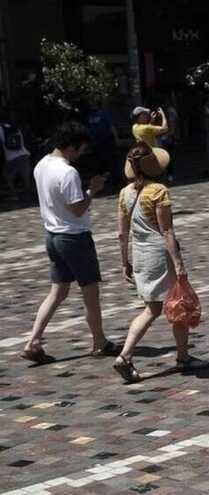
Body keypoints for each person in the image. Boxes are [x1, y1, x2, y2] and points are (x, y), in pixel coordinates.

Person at [22, 121, 121, 364]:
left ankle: (33, 341)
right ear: (71, 146)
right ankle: (99, 341)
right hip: (74, 237)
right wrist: (93, 190)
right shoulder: (67, 172)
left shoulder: (41, 164)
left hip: (52, 236)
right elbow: (77, 209)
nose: (81, 154)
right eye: (81, 149)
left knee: (57, 292)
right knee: (90, 292)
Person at [112, 143, 195, 382]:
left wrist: (124, 262)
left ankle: (127, 355)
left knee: (153, 308)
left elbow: (122, 233)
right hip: (159, 255)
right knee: (178, 305)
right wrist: (178, 263)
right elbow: (166, 231)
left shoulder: (124, 193)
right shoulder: (158, 191)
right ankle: (180, 358)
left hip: (140, 254)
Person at [85, 103, 119, 191]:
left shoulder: (104, 114)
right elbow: (88, 129)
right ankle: (100, 186)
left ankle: (114, 184)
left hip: (106, 142)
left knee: (110, 163)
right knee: (98, 166)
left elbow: (111, 126)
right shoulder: (89, 116)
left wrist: (116, 138)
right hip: (95, 144)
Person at [0, 113, 33, 201]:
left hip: (11, 157)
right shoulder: (15, 128)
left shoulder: (0, 129)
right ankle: (28, 196)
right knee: (26, 177)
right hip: (24, 154)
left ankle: (14, 194)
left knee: (6, 175)